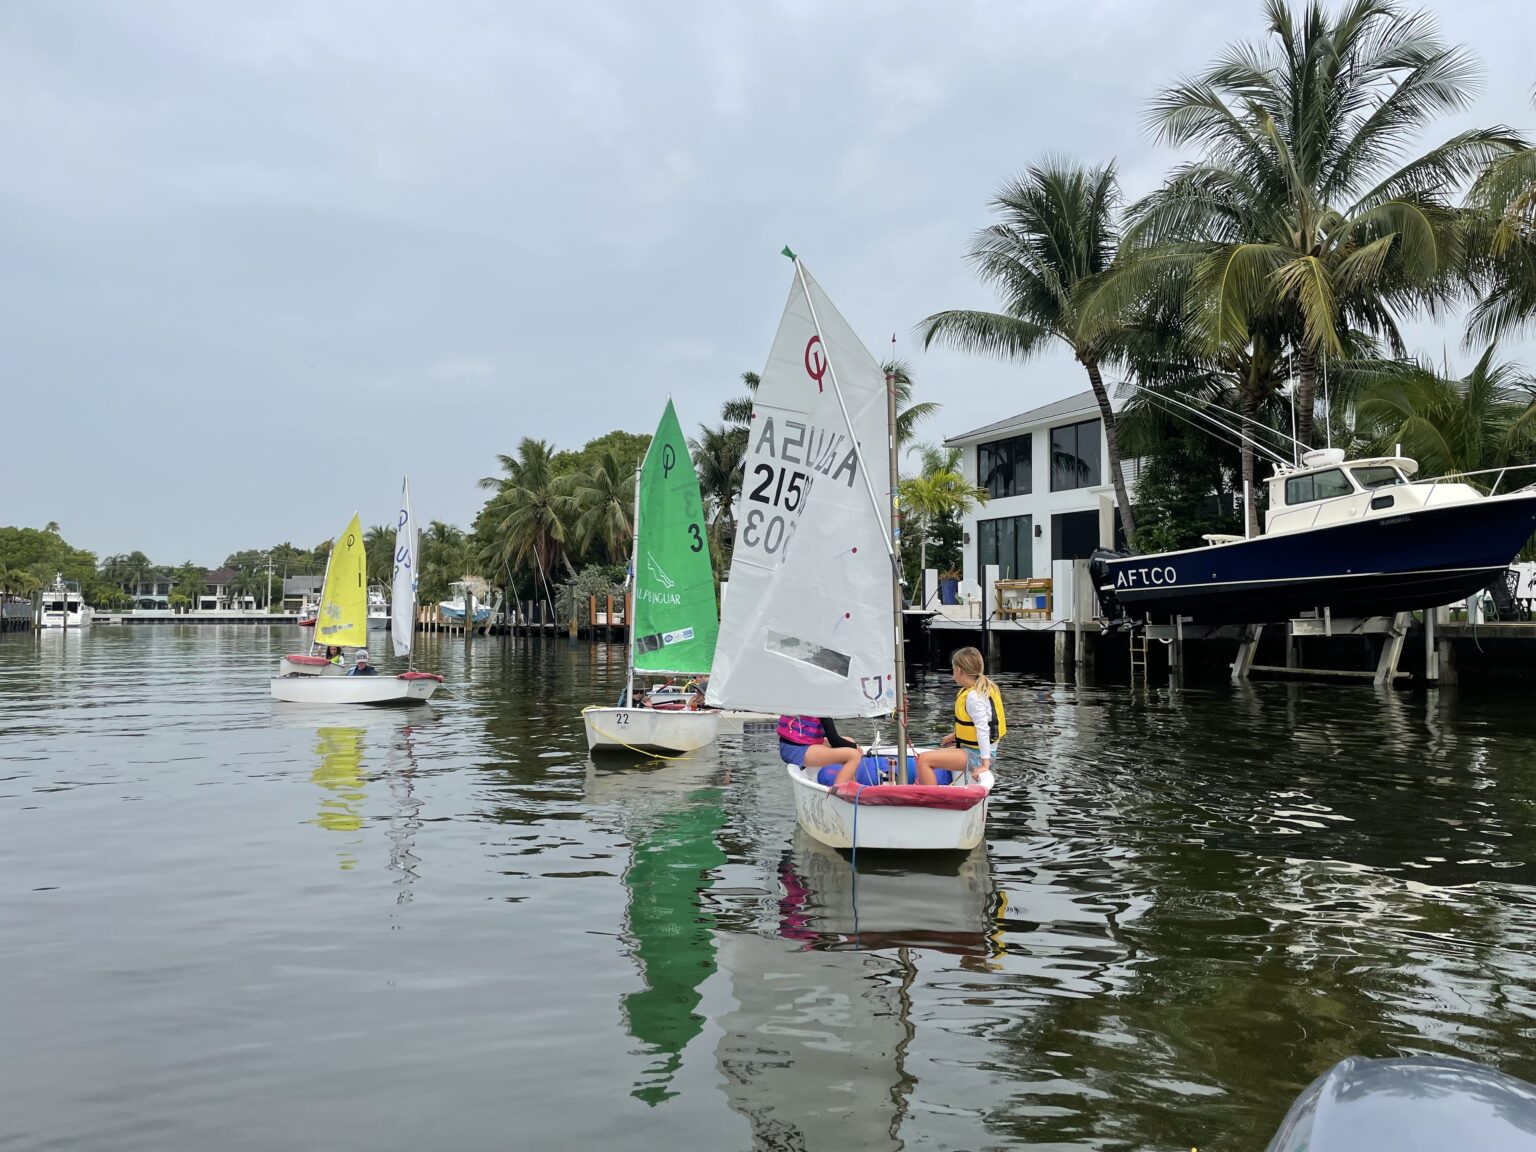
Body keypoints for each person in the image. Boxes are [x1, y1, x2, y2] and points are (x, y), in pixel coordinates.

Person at [915, 646, 1004, 786]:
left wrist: (984, 765)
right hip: (975, 751)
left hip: (977, 756)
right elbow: (974, 727)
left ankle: (931, 802)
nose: (952, 675)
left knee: (924, 760)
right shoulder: (981, 689)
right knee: (929, 756)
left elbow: (983, 730)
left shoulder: (973, 697)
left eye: (953, 670)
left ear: (959, 670)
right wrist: (953, 736)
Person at [777, 715, 863, 785]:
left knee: (850, 741)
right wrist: (856, 747)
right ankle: (840, 792)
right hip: (795, 750)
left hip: (791, 745)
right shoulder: (822, 706)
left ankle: (851, 784)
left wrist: (852, 744)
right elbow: (834, 740)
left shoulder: (812, 702)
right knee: (854, 755)